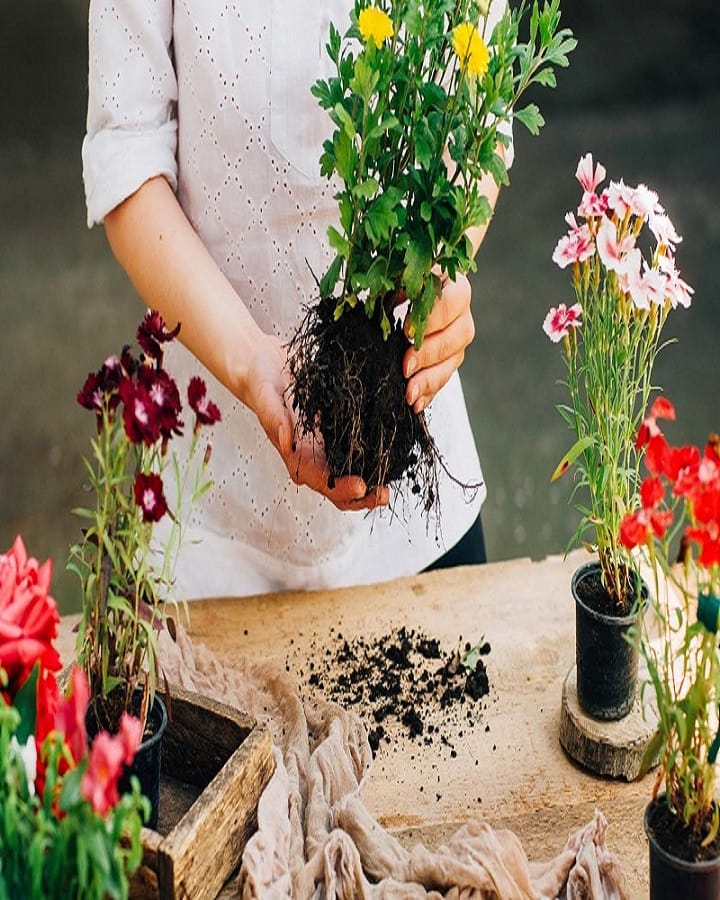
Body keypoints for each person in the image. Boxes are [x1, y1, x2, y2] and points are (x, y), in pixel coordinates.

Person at [82, 0, 509, 599]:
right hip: (209, 524)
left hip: (416, 507)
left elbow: (483, 113)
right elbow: (126, 154)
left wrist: (441, 265)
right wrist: (255, 363)